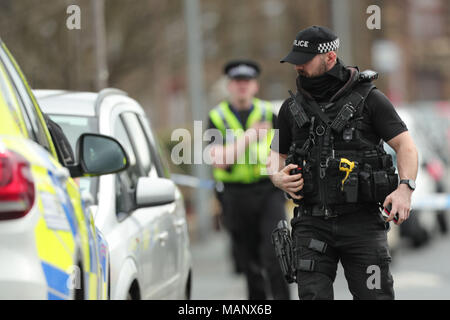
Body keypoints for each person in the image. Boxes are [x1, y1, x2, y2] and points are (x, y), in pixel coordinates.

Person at [268, 25, 418, 300]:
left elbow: (405, 146)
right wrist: (277, 177)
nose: (297, 67)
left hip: (361, 224)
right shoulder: (290, 108)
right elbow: (274, 157)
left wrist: (405, 188)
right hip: (312, 224)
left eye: (305, 60)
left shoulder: (370, 99)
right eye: (295, 61)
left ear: (330, 57)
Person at [207, 60, 291, 300]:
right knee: (248, 262)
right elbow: (219, 161)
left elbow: (283, 156)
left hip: (268, 192)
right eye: (237, 82)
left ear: (255, 86)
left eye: (247, 82)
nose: (242, 86)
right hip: (235, 196)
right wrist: (250, 135)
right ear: (229, 86)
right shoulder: (217, 117)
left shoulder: (270, 114)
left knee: (276, 252)